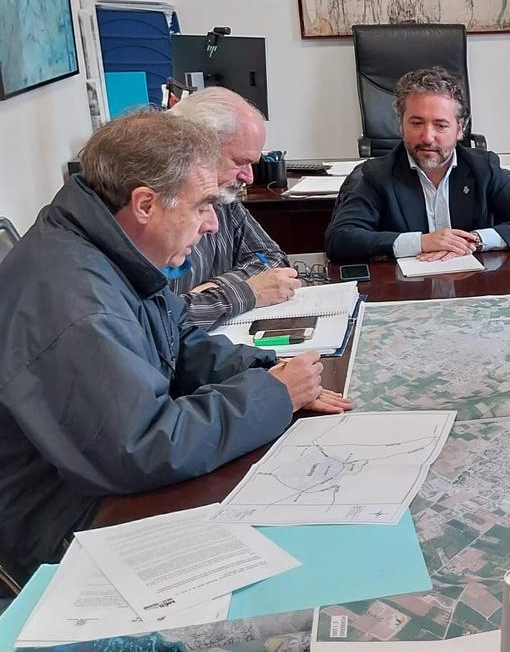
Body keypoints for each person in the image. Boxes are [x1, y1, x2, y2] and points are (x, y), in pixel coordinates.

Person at [0, 111, 351, 578]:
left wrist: (266, 367)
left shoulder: (109, 245)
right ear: (146, 204)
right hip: (67, 524)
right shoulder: (76, 303)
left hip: (98, 481)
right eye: (203, 205)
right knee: (297, 556)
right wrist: (273, 395)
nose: (211, 224)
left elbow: (178, 338)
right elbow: (142, 447)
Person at [325, 66, 510, 263]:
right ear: (401, 126)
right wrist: (422, 242)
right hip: (405, 293)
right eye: (416, 123)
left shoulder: (483, 168)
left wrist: (474, 241)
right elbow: (341, 239)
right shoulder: (376, 175)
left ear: (460, 129)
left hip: (472, 287)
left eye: (441, 125)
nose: (427, 137)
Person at [168, 87, 301, 329]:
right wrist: (246, 292)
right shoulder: (157, 217)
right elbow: (162, 321)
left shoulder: (224, 198)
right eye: (240, 162)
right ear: (194, 150)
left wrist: (215, 288)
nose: (249, 178)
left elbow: (273, 259)